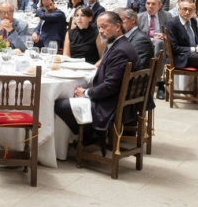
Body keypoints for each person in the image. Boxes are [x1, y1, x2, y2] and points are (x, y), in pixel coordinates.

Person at [54, 12, 139, 145]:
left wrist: (86, 93)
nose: (101, 31)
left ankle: (89, 134)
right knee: (71, 96)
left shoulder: (119, 51)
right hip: (118, 99)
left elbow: (110, 86)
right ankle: (88, 135)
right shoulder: (117, 44)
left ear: (117, 27)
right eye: (99, 27)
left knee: (60, 104)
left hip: (111, 105)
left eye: (104, 27)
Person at [115, 8, 154, 73]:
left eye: (121, 21)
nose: (118, 25)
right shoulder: (124, 37)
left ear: (132, 20)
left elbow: (138, 67)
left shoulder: (141, 40)